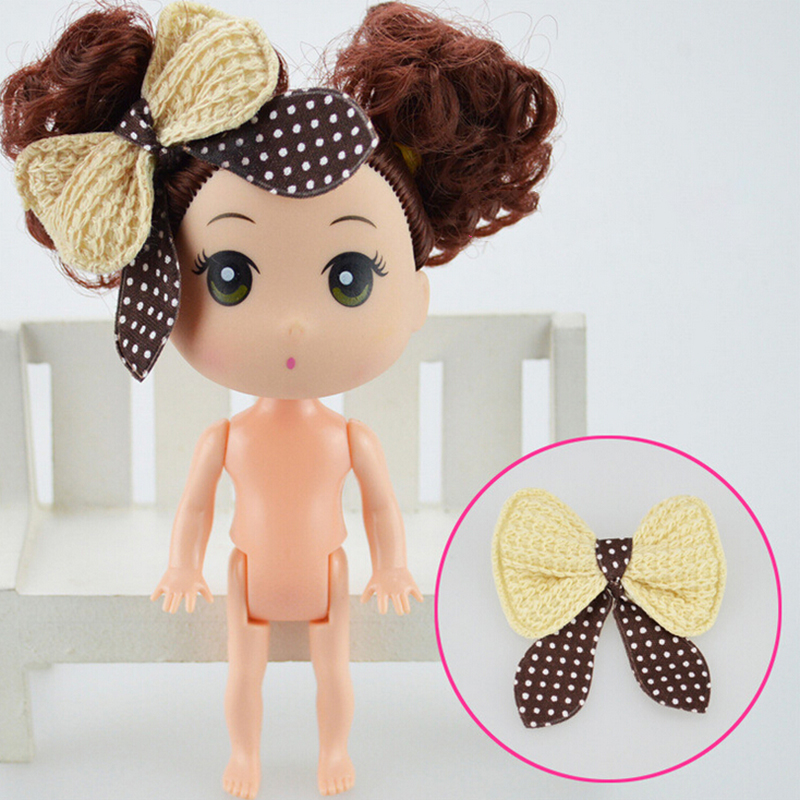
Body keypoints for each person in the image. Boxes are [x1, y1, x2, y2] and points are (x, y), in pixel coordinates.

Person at [2, 2, 557, 797]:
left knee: (335, 675)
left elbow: (380, 508)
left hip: (331, 573)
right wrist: (181, 565)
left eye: (349, 278)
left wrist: (392, 567)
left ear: (414, 298)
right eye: (230, 276)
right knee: (244, 675)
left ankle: (334, 753)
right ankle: (245, 756)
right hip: (244, 574)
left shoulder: (349, 438)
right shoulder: (226, 441)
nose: (294, 323)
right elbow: (196, 507)